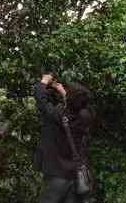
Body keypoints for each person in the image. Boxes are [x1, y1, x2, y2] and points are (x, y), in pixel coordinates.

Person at [33, 72, 93, 203]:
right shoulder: (85, 117)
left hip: (57, 177)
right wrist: (64, 92)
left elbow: (42, 101)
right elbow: (78, 104)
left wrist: (43, 82)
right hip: (74, 178)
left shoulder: (58, 116)